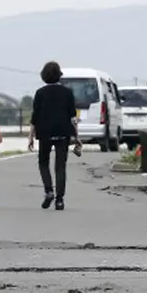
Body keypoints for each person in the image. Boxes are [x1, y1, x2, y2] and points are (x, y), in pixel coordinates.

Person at [28, 61, 83, 211]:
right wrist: (77, 136)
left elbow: (35, 116)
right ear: (59, 75)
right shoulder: (67, 92)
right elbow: (73, 117)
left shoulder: (40, 93)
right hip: (63, 133)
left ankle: (49, 191)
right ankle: (60, 200)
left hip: (45, 133)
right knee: (60, 167)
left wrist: (31, 136)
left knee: (43, 163)